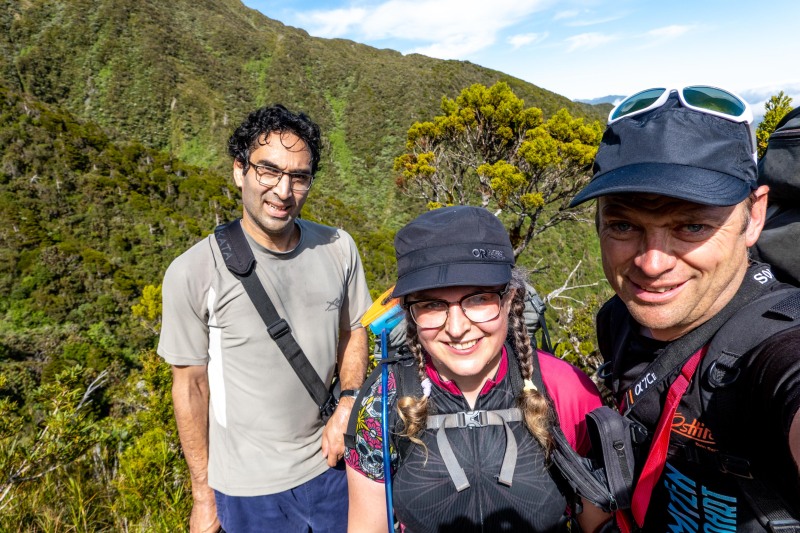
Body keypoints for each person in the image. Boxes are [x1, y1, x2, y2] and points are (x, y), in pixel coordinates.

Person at [569, 86, 800, 531]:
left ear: (754, 217)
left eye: (692, 225)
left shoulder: (774, 344)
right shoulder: (617, 320)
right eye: (623, 225)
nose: (652, 264)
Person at [158, 104, 372, 533]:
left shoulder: (338, 248)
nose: (283, 190)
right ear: (240, 171)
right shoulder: (194, 271)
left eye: (299, 177)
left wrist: (348, 401)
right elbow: (190, 386)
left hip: (334, 464)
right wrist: (203, 496)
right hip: (248, 490)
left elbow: (354, 332)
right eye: (268, 171)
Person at [345, 205, 611, 532]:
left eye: (478, 299)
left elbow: (599, 523)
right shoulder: (384, 400)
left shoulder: (565, 388)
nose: (457, 328)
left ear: (511, 299)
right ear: (409, 312)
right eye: (431, 304)